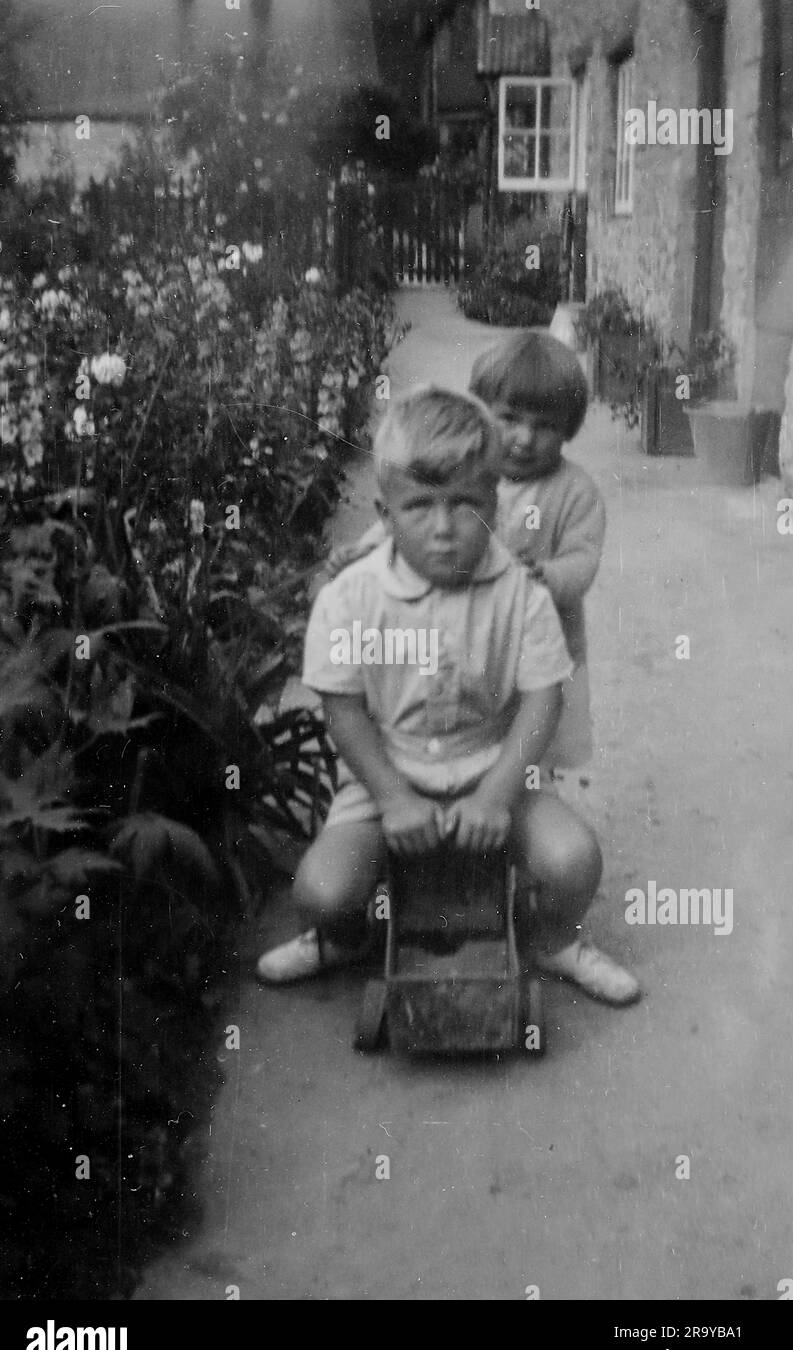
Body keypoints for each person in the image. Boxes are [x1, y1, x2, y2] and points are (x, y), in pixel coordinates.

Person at [256, 385, 639, 1005]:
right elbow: (341, 706)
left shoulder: (522, 594)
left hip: (491, 761)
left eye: (464, 504)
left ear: (495, 502)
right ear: (384, 514)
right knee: (322, 893)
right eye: (419, 506)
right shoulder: (350, 597)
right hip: (387, 765)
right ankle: (346, 936)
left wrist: (495, 795)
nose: (443, 529)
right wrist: (391, 796)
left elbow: (544, 700)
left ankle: (553, 942)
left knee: (574, 862)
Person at [324, 329, 603, 770]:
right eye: (509, 418)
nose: (525, 438)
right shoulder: (466, 474)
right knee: (466, 718)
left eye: (546, 425)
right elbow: (412, 516)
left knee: (535, 741)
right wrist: (365, 551)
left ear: (568, 428)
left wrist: (548, 576)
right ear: (482, 413)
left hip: (543, 640)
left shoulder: (574, 491)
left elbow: (583, 560)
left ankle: (531, 798)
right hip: (475, 627)